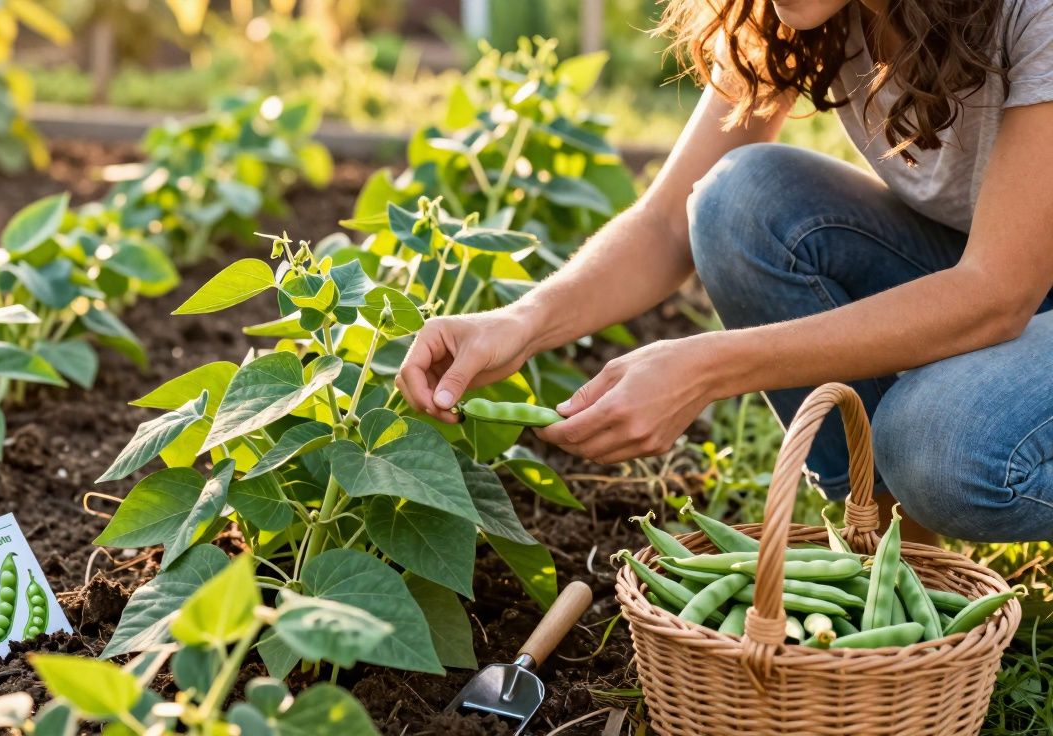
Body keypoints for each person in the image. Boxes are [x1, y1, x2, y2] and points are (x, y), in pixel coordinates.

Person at [396, 0, 1053, 543]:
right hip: (994, 265)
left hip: (1007, 283)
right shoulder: (803, 14)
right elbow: (665, 224)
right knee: (739, 201)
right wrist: (521, 322)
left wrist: (704, 367)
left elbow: (994, 293)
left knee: (939, 442)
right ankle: (893, 557)